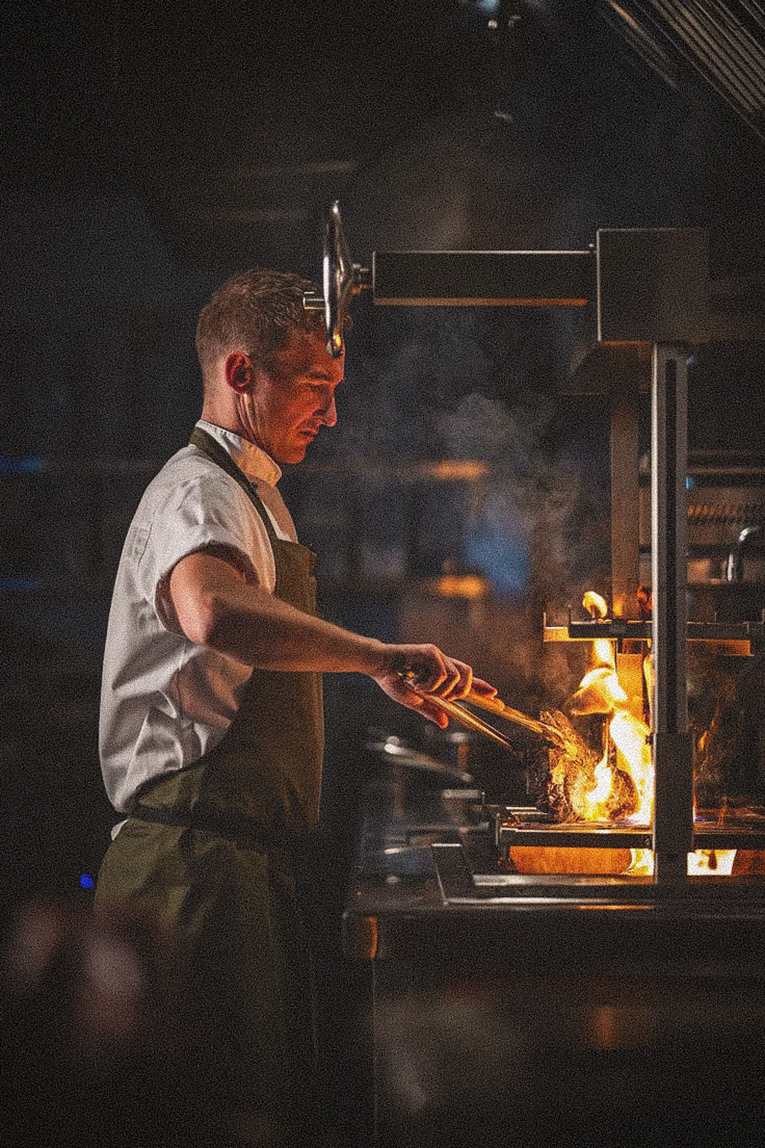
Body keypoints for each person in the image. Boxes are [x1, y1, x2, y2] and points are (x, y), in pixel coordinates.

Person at [94, 268, 496, 1140]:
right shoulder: (199, 491)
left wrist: (374, 672)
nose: (332, 413)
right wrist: (373, 655)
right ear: (241, 373)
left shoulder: (252, 492)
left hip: (238, 868)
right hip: (191, 874)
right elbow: (212, 610)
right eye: (315, 385)